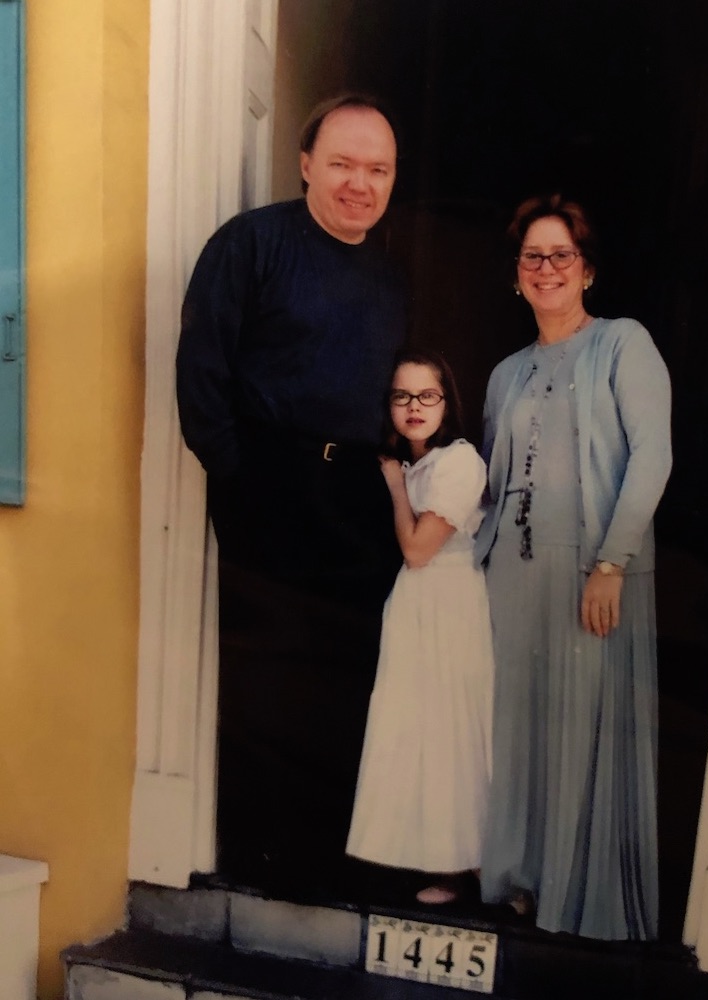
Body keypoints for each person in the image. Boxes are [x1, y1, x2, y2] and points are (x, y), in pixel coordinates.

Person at [175, 94, 407, 896]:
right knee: (263, 678)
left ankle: (324, 860)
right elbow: (201, 374)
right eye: (341, 164)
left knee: (341, 677)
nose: (358, 184)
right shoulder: (250, 245)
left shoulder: (385, 273)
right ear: (305, 163)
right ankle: (258, 862)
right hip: (266, 484)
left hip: (354, 494)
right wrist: (237, 475)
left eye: (376, 170)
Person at [475, 194, 672, 940]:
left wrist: (611, 563)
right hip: (513, 574)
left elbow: (652, 454)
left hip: (593, 569)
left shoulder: (623, 344)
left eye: (561, 255)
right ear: (515, 275)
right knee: (515, 727)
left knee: (581, 728)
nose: (546, 268)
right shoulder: (504, 373)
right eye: (532, 256)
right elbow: (492, 484)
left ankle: (575, 901)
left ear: (586, 269)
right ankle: (518, 879)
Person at [346, 349, 493, 905]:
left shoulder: (457, 462)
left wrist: (394, 485)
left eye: (427, 395)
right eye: (402, 396)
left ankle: (486, 870)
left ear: (447, 403)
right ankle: (446, 865)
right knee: (423, 732)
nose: (413, 407)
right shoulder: (415, 462)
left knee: (455, 731)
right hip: (416, 608)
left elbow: (417, 549)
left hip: (449, 604)